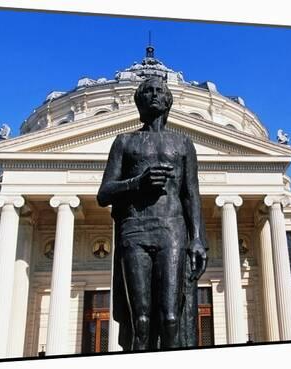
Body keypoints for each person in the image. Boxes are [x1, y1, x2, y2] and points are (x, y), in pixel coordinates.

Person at [97, 77, 208, 350]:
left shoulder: (183, 144)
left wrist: (197, 239)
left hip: (172, 231)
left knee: (171, 316)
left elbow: (191, 194)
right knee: (141, 320)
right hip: (135, 230)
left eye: (160, 91)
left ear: (168, 100)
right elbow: (104, 194)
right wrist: (138, 182)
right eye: (148, 91)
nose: (154, 95)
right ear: (139, 100)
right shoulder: (124, 142)